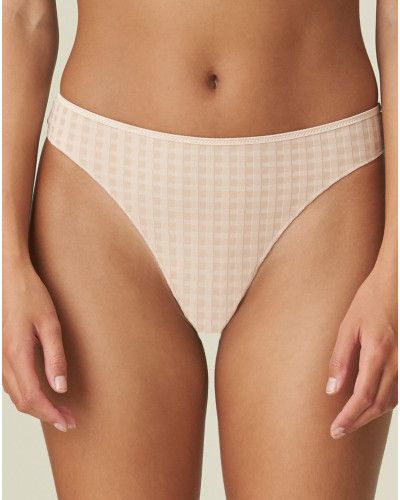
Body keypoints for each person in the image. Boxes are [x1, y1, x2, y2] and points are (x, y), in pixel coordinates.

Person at [3, 0, 397, 498]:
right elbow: (23, 17)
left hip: (323, 196)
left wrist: (395, 269)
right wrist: (8, 263)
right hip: (101, 198)